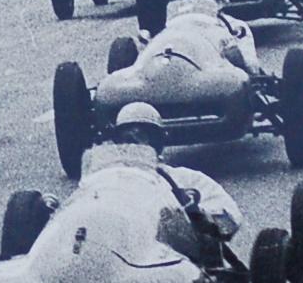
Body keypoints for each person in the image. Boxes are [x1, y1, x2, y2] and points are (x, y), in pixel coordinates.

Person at [96, 103, 244, 255]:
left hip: (175, 262)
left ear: (158, 141)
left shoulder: (186, 179)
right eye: (127, 139)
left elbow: (231, 219)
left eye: (144, 137)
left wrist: (198, 214)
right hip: (123, 261)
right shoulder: (104, 183)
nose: (136, 145)